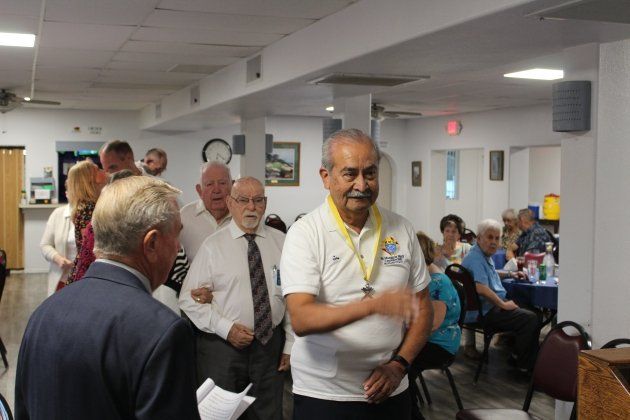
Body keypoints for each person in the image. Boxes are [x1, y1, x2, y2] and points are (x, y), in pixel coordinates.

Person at [15, 176, 200, 420]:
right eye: (177, 235)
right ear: (152, 243)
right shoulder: (162, 332)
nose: (178, 248)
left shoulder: (43, 313)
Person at [280, 129, 433, 419]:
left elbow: (423, 307)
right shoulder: (305, 233)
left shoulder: (402, 228)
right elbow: (302, 318)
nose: (361, 185)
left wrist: (399, 365)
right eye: (350, 174)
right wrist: (372, 306)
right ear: (326, 177)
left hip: (392, 387)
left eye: (370, 173)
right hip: (325, 393)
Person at [180, 177, 292, 420]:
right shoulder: (213, 246)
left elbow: (291, 296)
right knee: (222, 416)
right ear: (231, 203)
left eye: (258, 200)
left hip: (270, 348)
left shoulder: (283, 243)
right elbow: (188, 300)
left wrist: (290, 344)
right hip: (224, 349)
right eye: (243, 200)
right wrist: (226, 328)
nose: (251, 207)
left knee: (269, 414)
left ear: (265, 204)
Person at [99, 139, 188, 313]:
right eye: (105, 168)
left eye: (112, 167)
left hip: (160, 275)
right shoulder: (108, 193)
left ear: (128, 158)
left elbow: (178, 221)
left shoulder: (159, 187)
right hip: (121, 276)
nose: (108, 174)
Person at [462, 219, 539, 372]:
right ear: (479, 238)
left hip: (485, 307)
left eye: (497, 238)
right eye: (490, 237)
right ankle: (524, 366)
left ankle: (517, 355)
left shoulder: (479, 254)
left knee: (532, 310)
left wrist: (510, 274)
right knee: (530, 318)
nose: (494, 242)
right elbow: (480, 288)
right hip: (484, 312)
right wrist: (503, 304)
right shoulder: (476, 258)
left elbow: (489, 274)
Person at [64, 160, 108, 286]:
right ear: (89, 178)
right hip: (90, 272)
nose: (103, 170)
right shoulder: (88, 208)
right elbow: (91, 244)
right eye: (98, 169)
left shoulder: (90, 205)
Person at [179, 162, 232, 262]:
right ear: (199, 190)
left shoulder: (242, 217)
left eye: (222, 183)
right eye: (209, 184)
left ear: (233, 186)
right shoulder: (183, 217)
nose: (216, 190)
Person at [40, 202, 75, 296]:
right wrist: (58, 258)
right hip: (62, 280)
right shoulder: (58, 214)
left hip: (86, 280)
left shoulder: (95, 214)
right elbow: (45, 245)